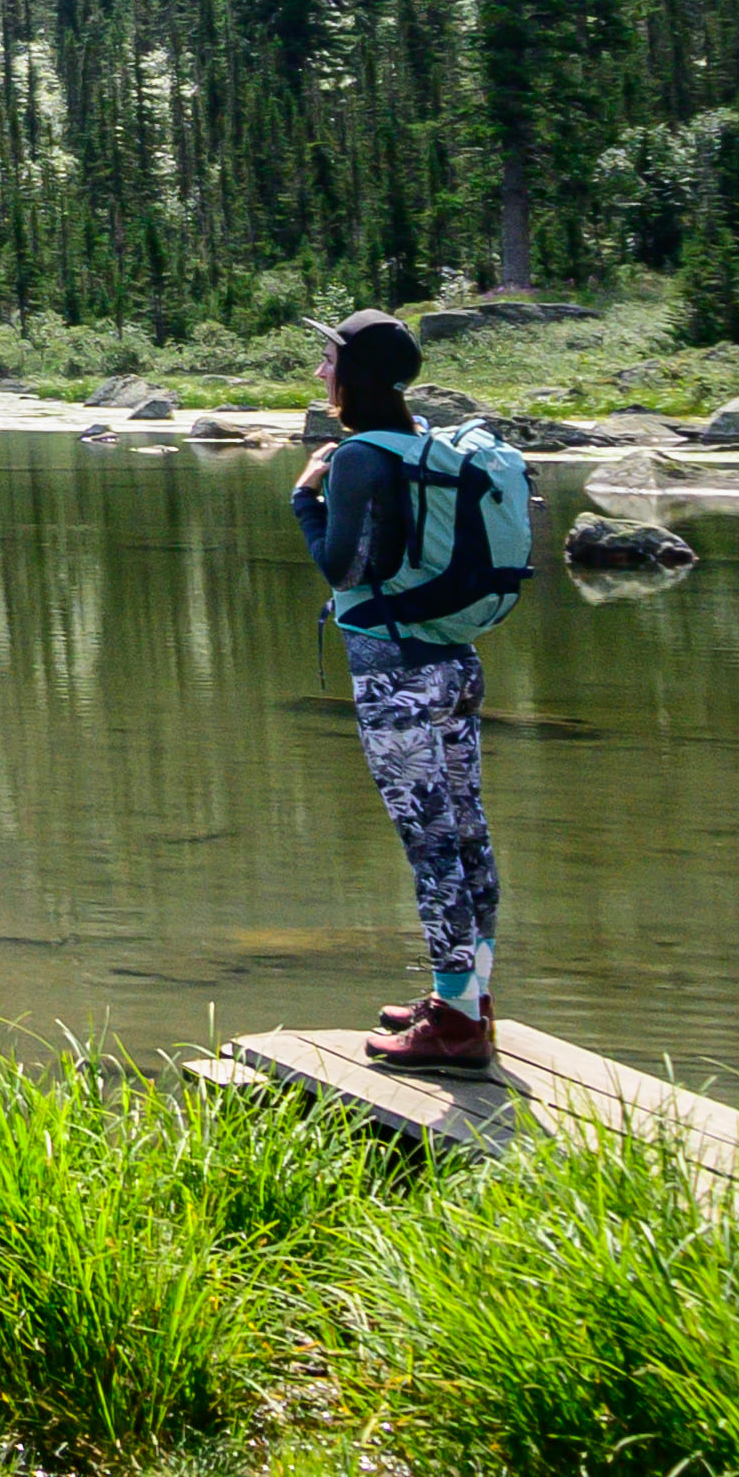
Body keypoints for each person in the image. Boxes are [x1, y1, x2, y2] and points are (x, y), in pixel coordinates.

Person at [292, 309, 530, 1072]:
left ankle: (454, 1028)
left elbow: (347, 569)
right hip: (454, 665)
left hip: (397, 679)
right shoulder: (423, 444)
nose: (321, 372)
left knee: (430, 847)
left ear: (355, 371)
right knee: (466, 833)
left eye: (329, 360)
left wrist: (305, 498)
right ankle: (467, 997)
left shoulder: (360, 456)